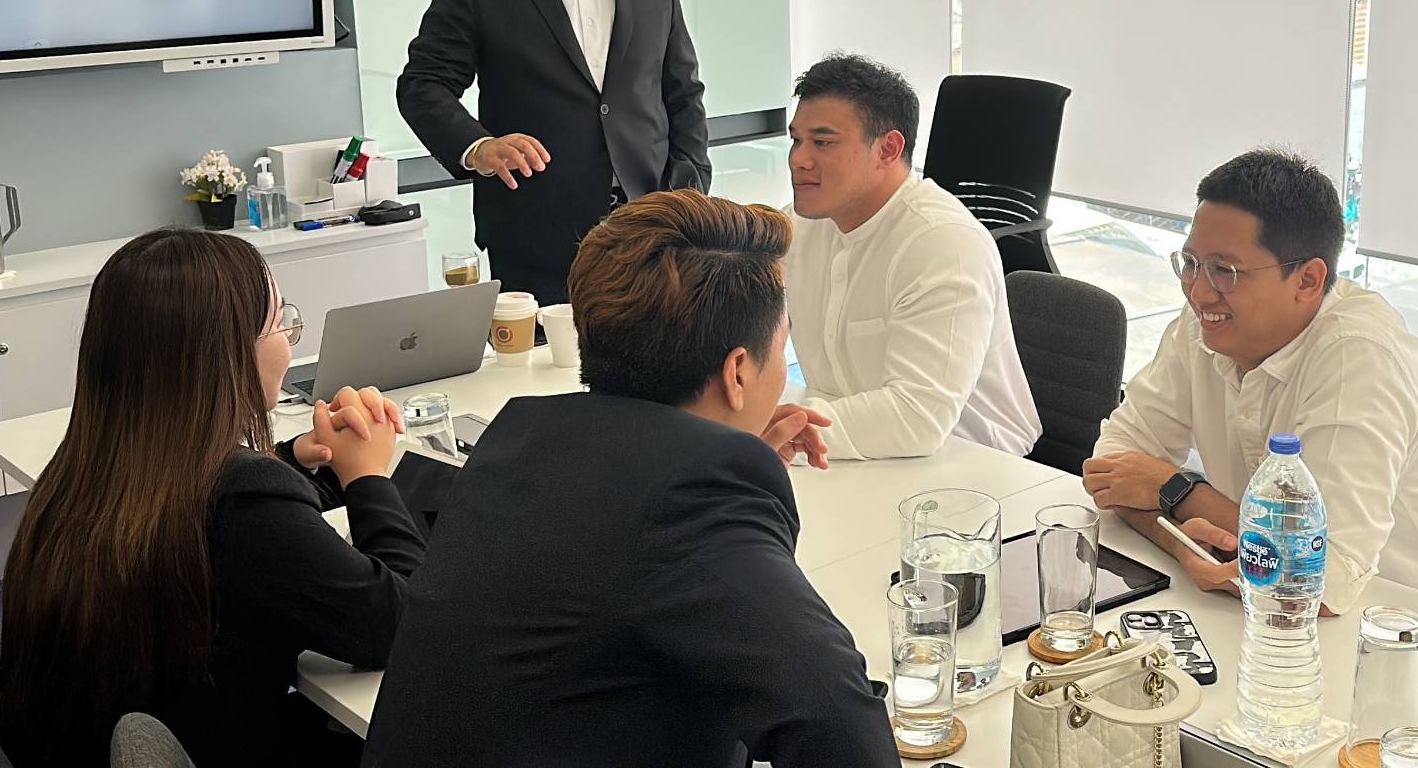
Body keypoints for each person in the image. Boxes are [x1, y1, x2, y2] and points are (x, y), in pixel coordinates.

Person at [362, 191, 900, 768]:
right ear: (738, 371)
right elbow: (839, 726)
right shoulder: (695, 499)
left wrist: (722, 449)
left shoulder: (519, 442)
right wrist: (723, 477)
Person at [0, 228, 426, 767]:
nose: (290, 342)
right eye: (280, 322)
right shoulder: (244, 503)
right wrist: (368, 477)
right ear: (226, 354)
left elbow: (195, 506)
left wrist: (293, 459)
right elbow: (404, 626)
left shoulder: (86, 466)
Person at [397, 0, 711, 306]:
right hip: (535, 239)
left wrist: (688, 193)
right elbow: (423, 85)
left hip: (654, 234)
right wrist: (479, 147)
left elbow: (683, 91)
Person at [1083, 149, 1418, 615]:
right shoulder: (1206, 322)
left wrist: (1176, 491)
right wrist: (1185, 544)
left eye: (1226, 271)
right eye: (1191, 262)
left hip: (1384, 622)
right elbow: (1111, 470)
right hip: (1251, 609)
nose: (1199, 292)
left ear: (1307, 280)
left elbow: (1323, 578)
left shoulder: (1359, 357)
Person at [783, 53, 1041, 460]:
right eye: (796, 139)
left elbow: (917, 415)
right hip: (855, 450)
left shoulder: (944, 244)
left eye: (823, 142)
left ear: (888, 149)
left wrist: (781, 429)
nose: (798, 159)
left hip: (973, 465)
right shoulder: (801, 226)